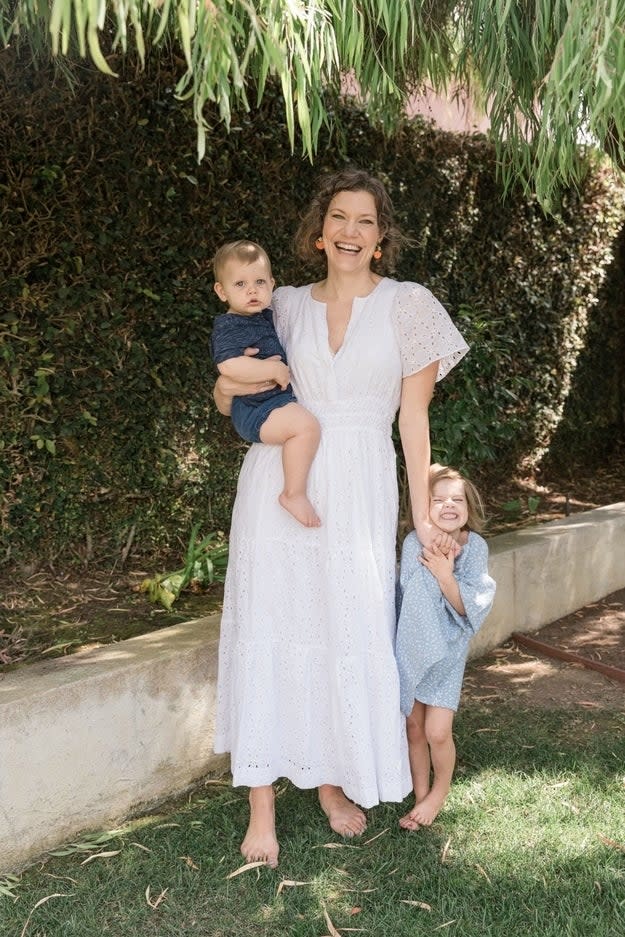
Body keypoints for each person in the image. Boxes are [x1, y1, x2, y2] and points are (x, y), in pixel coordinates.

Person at [212, 168, 469, 869]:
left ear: (380, 238)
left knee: (341, 625)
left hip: (357, 484)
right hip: (278, 482)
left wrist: (422, 514)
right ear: (318, 231)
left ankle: (330, 783)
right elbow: (223, 388)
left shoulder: (410, 305)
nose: (350, 231)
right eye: (338, 217)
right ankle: (260, 804)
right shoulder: (281, 303)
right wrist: (239, 384)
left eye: (365, 220)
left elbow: (412, 420)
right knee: (271, 622)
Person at [395, 464, 496, 831]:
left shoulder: (475, 547)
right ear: (425, 508)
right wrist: (434, 559)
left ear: (468, 506)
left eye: (457, 499)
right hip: (413, 648)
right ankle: (420, 795)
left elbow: (466, 606)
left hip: (448, 652)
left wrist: (444, 572)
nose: (448, 505)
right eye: (438, 500)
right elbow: (413, 599)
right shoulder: (412, 544)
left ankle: (439, 792)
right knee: (414, 729)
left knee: (438, 731)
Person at [211, 240, 321, 528]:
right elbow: (228, 365)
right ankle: (293, 494)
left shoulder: (263, 317)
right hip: (254, 409)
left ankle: (294, 491)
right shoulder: (229, 325)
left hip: (266, 404)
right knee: (305, 428)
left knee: (304, 426)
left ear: (272, 285)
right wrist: (270, 369)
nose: (252, 290)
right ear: (221, 292)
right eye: (240, 284)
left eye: (260, 281)